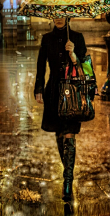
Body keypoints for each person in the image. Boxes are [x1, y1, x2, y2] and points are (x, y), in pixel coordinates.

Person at [34, 17, 87, 202]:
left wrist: (73, 55)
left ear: (68, 17)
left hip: (72, 91)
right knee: (59, 133)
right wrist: (38, 88)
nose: (58, 18)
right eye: (55, 15)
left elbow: (85, 68)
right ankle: (67, 170)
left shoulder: (77, 38)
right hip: (54, 91)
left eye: (61, 15)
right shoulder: (46, 39)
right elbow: (41, 65)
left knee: (69, 134)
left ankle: (67, 182)